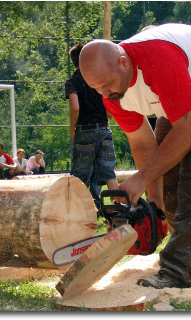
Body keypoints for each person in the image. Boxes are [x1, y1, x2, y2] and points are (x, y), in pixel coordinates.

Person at [79, 23, 191, 289]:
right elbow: (142, 142)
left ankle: (181, 270)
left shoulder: (155, 57)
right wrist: (154, 198)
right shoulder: (110, 94)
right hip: (189, 92)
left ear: (123, 62)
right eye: (96, 89)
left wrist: (141, 178)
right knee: (168, 180)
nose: (104, 94)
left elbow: (190, 127)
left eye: (106, 85)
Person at [65, 42, 119, 210]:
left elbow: (75, 108)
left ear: (74, 62)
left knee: (80, 174)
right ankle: (119, 207)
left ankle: (75, 210)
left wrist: (72, 128)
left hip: (84, 130)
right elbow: (109, 105)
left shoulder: (72, 82)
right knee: (108, 171)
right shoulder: (98, 78)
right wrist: (107, 118)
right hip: (103, 127)